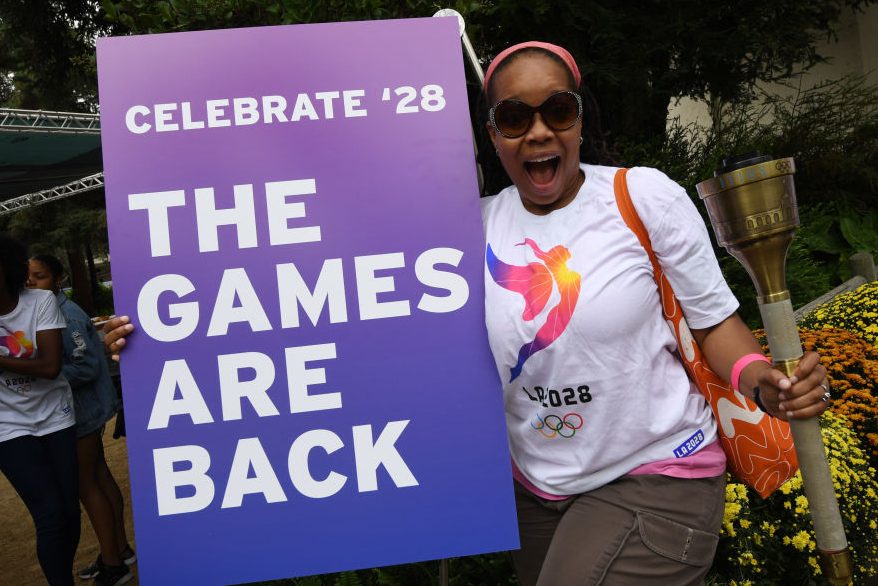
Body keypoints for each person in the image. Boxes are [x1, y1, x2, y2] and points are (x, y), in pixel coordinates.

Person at [100, 42, 833, 585]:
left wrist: (764, 379)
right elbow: (325, 304)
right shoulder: (465, 227)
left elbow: (713, 325)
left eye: (557, 110)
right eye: (515, 117)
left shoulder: (642, 197)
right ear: (492, 135)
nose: (538, 131)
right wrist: (170, 333)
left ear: (579, 119)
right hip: (539, 493)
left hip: (656, 474)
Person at [26, 255, 135, 586]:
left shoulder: (65, 315)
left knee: (86, 486)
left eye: (40, 276)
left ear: (58, 278)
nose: (31, 282)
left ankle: (114, 566)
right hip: (80, 411)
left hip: (81, 413)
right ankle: (119, 550)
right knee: (99, 478)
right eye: (27, 277)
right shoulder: (49, 310)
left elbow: (86, 367)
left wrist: (42, 372)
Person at [0, 234, 80, 586]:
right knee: (49, 514)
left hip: (55, 415)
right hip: (8, 425)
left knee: (69, 514)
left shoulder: (40, 301)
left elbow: (50, 366)